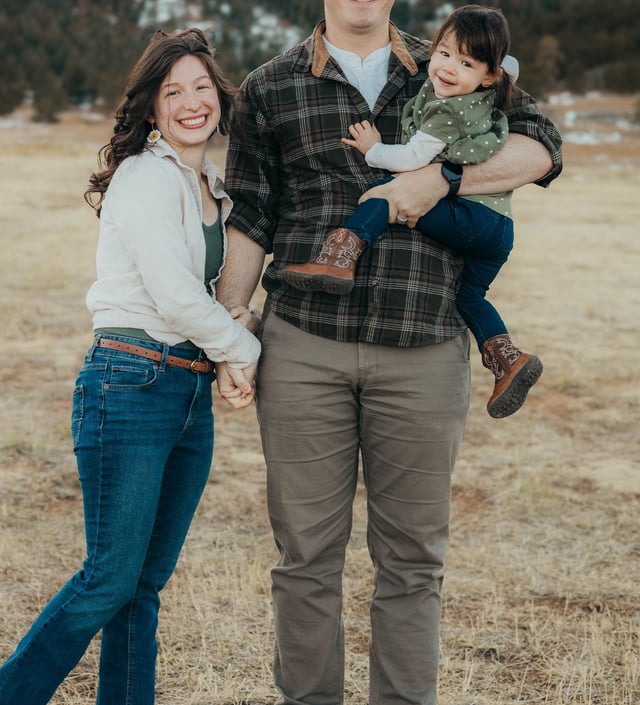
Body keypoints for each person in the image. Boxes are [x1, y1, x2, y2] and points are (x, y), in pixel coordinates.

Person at [215, 0, 562, 703]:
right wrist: (229, 330)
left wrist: (448, 178)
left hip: (424, 343)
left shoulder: (453, 62)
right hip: (304, 344)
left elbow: (542, 148)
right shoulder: (269, 86)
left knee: (412, 561)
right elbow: (251, 213)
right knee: (306, 557)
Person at [0, 28, 259, 705]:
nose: (191, 102)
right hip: (129, 382)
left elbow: (218, 299)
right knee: (109, 577)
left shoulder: (212, 187)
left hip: (184, 393)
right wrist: (242, 349)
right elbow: (173, 294)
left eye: (200, 88)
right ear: (152, 110)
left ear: (219, 97)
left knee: (143, 585)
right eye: (173, 92)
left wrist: (230, 341)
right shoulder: (144, 177)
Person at [280, 5, 542, 419]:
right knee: (470, 296)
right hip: (497, 229)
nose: (449, 67)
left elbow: (409, 158)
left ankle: (340, 254)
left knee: (386, 196)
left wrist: (373, 149)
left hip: (473, 219)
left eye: (466, 63)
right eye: (444, 54)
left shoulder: (446, 110)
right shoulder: (483, 93)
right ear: (434, 48)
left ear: (490, 75)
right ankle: (507, 358)